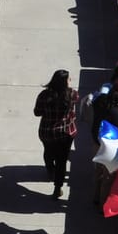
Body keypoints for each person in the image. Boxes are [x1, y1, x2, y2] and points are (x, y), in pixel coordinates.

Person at [35, 70, 78, 199]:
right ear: (65, 82)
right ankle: (57, 188)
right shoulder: (72, 94)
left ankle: (50, 169)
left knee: (48, 151)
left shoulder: (44, 95)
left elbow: (37, 112)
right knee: (62, 160)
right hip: (65, 133)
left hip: (47, 131)